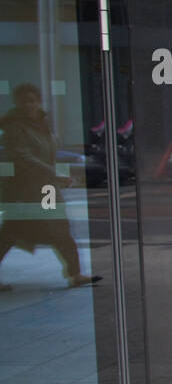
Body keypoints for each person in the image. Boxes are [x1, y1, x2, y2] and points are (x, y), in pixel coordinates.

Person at [0, 83, 100, 289]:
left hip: (45, 188)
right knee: (15, 231)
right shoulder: (15, 128)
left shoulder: (41, 124)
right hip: (25, 190)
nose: (28, 104)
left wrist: (56, 175)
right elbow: (22, 156)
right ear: (17, 103)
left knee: (56, 228)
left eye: (31, 100)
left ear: (38, 102)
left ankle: (76, 274)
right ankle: (76, 274)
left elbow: (47, 154)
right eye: (23, 101)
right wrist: (52, 173)